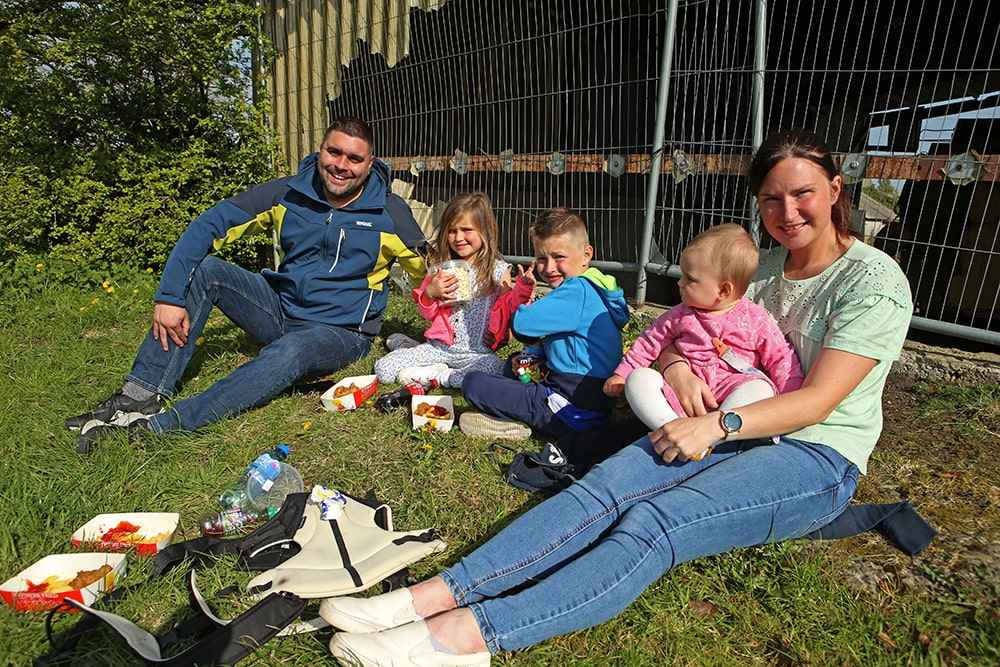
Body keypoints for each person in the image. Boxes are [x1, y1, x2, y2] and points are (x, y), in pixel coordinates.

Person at [317, 128, 915, 667]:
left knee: (655, 519)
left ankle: (466, 637)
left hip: (810, 452)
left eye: (803, 193)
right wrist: (677, 366)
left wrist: (715, 426)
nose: (787, 212)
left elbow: (817, 403)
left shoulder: (872, 281)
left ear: (836, 189)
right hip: (714, 417)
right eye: (771, 199)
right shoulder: (761, 268)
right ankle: (427, 596)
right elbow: (683, 331)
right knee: (602, 487)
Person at [68, 116, 427, 453]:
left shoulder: (389, 212)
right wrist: (169, 297)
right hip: (278, 311)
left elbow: (429, 280)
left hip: (340, 332)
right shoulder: (287, 193)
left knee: (292, 350)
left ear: (370, 163)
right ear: (321, 149)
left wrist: (449, 329)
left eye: (354, 158)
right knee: (207, 270)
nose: (341, 165)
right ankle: (139, 394)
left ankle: (163, 427)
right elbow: (208, 225)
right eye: (334, 152)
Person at [604, 223, 804, 456]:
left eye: (690, 279)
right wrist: (624, 373)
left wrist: (792, 397)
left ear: (723, 290)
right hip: (681, 397)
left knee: (759, 388)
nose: (680, 282)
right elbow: (650, 341)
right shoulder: (680, 314)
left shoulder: (755, 319)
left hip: (731, 394)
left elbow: (780, 356)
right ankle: (672, 429)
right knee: (639, 380)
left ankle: (709, 441)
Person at [458, 207, 630, 441]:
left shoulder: (575, 291)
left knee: (473, 382)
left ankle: (520, 421)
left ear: (586, 254)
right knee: (514, 365)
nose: (548, 268)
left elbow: (521, 325)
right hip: (593, 402)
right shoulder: (597, 285)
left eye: (559, 257)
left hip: (569, 410)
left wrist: (518, 307)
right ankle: (520, 411)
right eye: (541, 258)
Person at [373, 191, 534, 389]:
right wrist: (430, 294)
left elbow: (506, 309)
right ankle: (415, 353)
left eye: (467, 230)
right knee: (384, 370)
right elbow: (428, 313)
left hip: (476, 352)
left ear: (485, 231)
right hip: (439, 347)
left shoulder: (497, 270)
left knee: (496, 368)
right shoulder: (442, 267)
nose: (458, 238)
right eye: (452, 230)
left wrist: (503, 334)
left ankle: (440, 374)